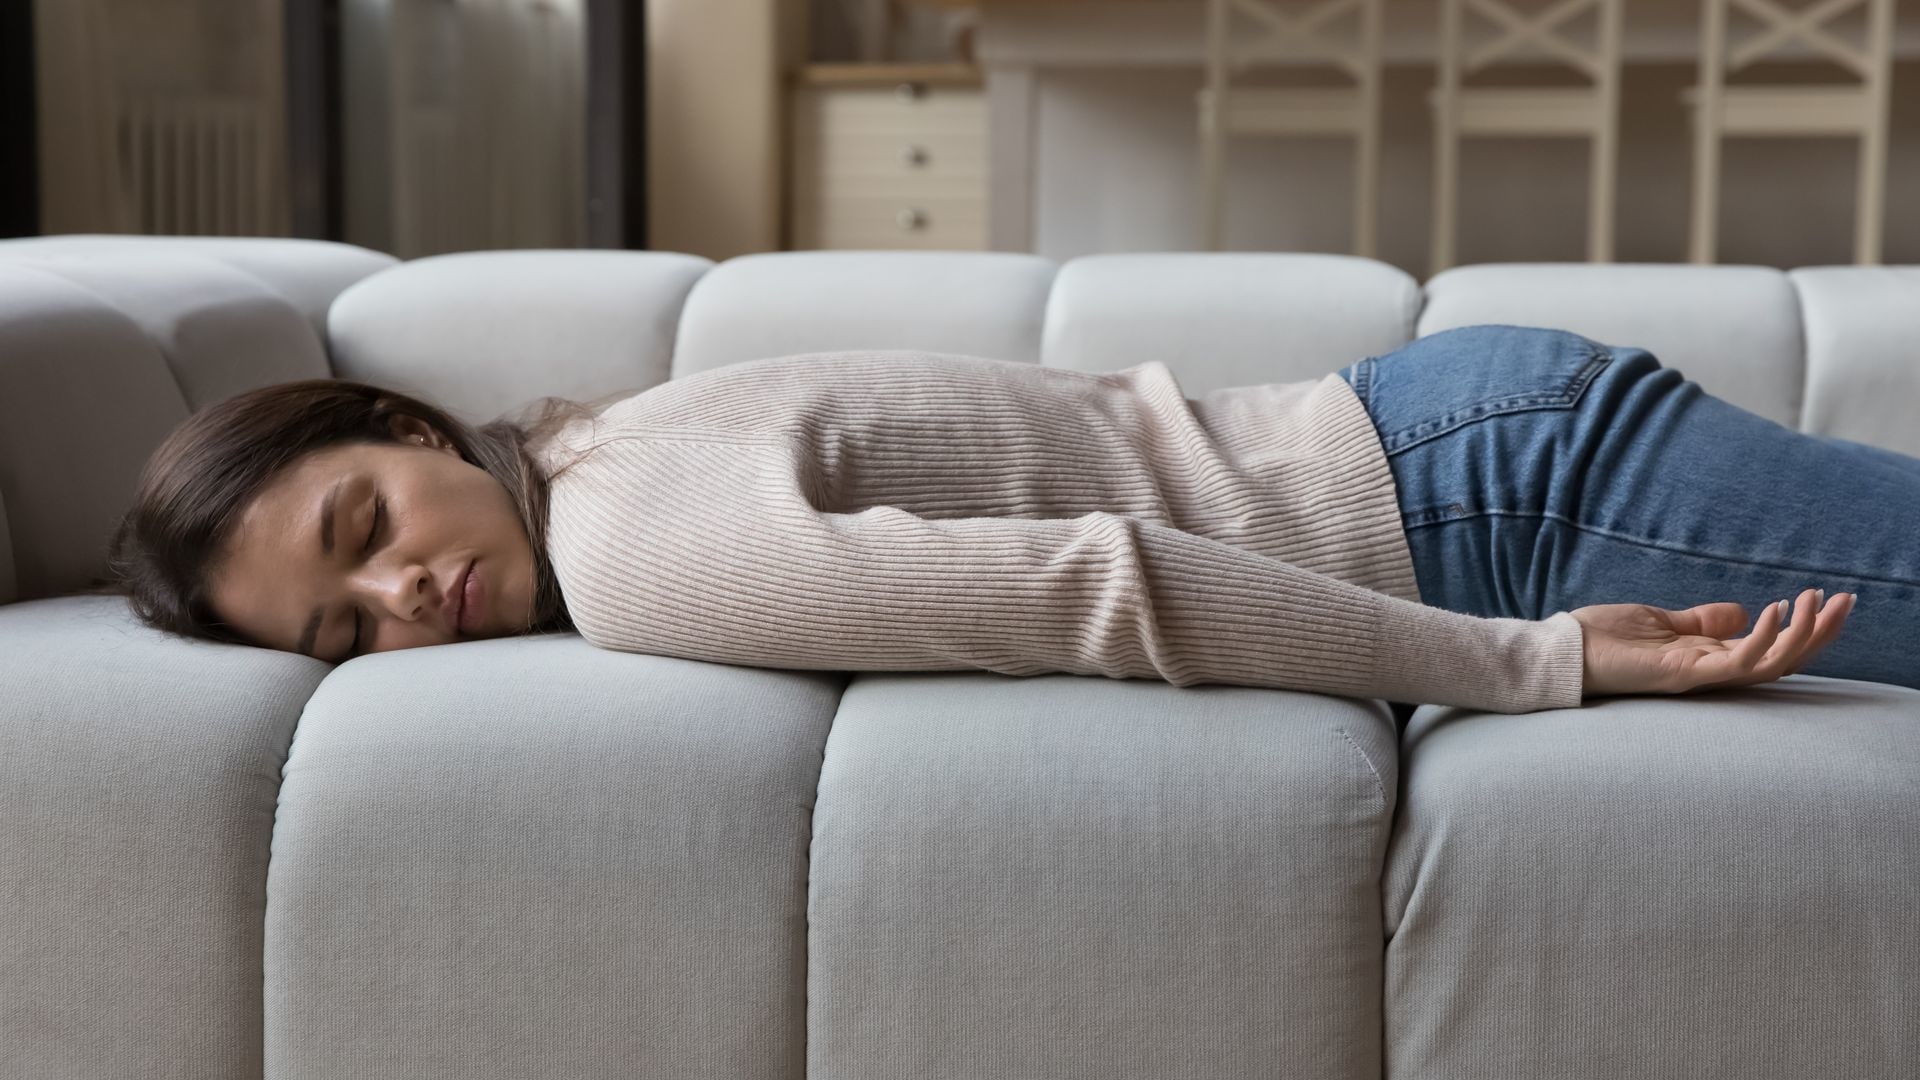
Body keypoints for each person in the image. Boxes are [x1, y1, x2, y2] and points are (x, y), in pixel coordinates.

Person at [95, 323, 1881, 715]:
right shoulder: (610, 454)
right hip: (1455, 443)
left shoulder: (630, 549)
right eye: (345, 626)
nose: (406, 591)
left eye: (363, 526)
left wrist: (1534, 664)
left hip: (1488, 504)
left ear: (407, 429)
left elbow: (1100, 583)